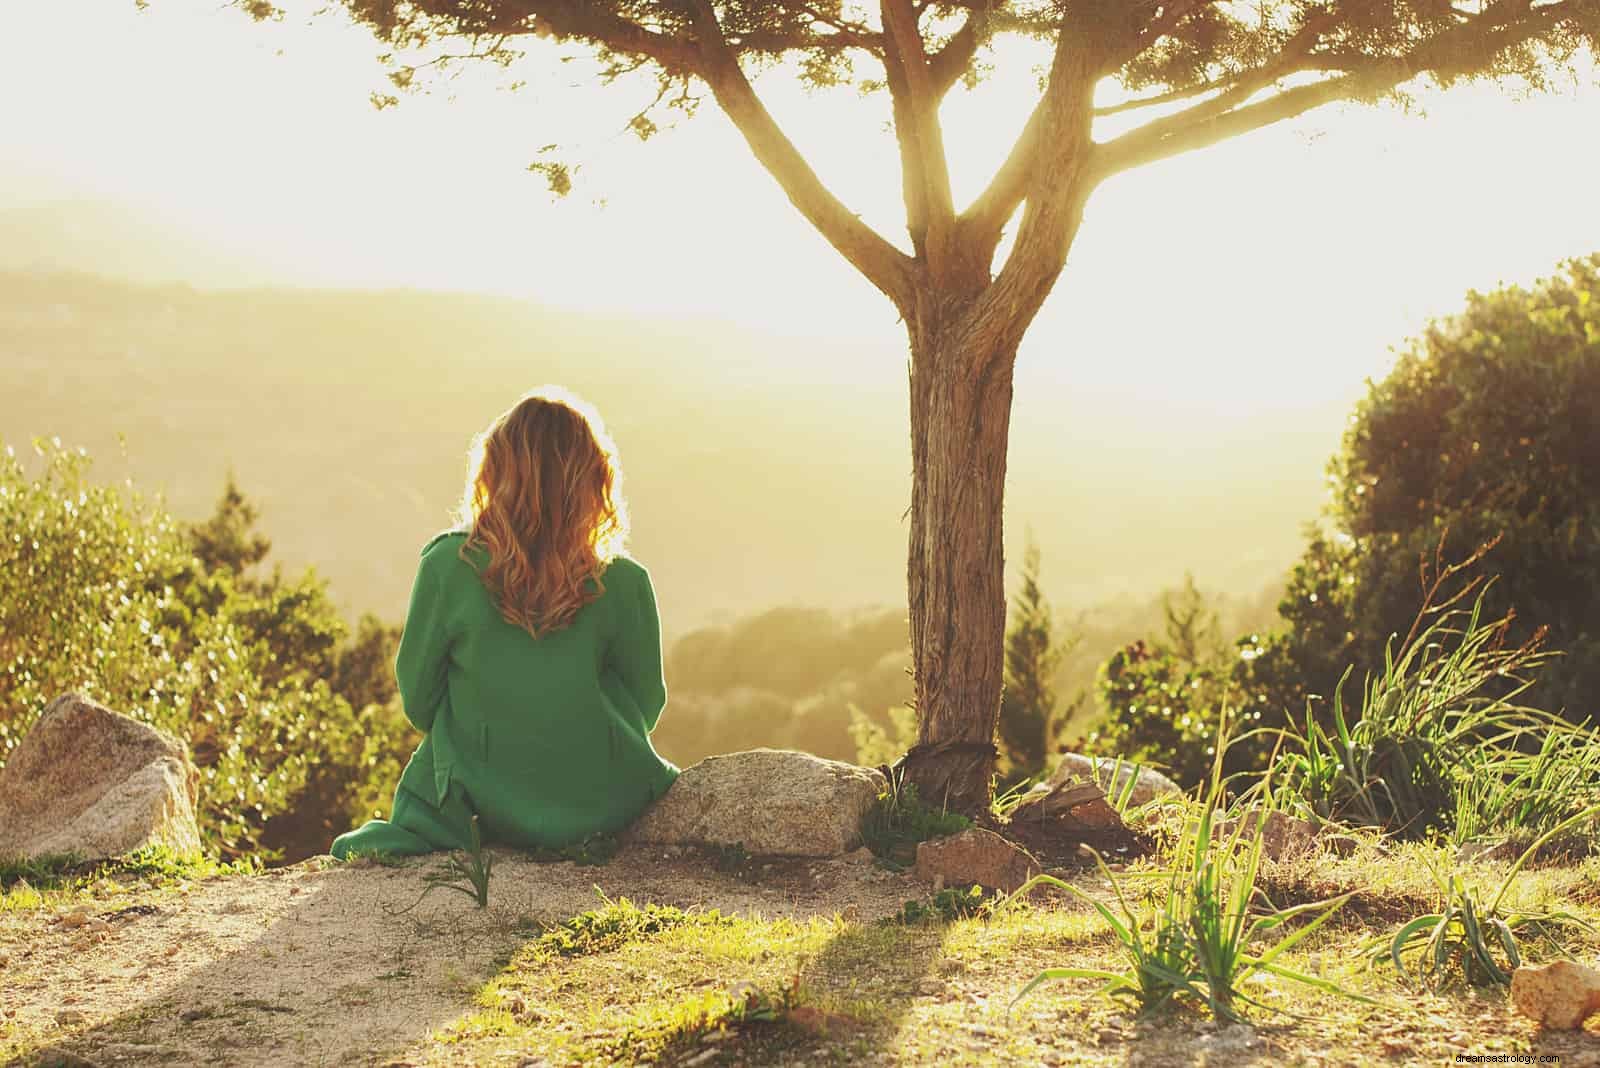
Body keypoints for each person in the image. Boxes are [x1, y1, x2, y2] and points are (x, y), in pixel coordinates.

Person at [330, 387, 678, 859]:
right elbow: (646, 705)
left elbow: (418, 700)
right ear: (595, 480)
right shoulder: (626, 582)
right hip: (598, 803)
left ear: (493, 472)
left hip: (475, 803)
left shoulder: (447, 566)